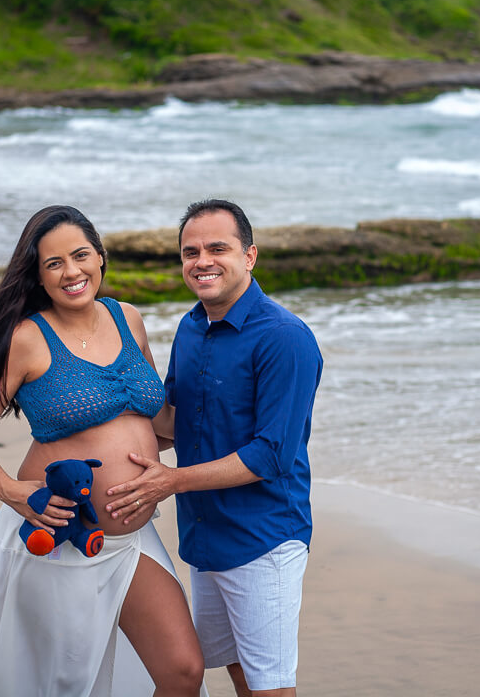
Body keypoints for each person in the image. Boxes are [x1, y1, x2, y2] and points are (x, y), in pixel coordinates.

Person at [0, 205, 205, 697]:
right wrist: (11, 491)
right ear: (38, 277)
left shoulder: (128, 318)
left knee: (183, 670)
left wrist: (233, 400)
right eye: (54, 263)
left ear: (101, 258)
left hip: (130, 541)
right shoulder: (26, 339)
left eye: (81, 255)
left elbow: (156, 420)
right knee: (59, 686)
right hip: (58, 540)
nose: (71, 271)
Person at [105, 199, 323, 697]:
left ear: (250, 256)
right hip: (204, 537)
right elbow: (177, 424)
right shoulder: (191, 326)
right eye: (190, 251)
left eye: (217, 248)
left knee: (271, 686)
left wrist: (170, 481)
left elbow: (271, 455)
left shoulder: (286, 338)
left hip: (264, 538)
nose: (202, 260)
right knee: (237, 669)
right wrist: (121, 377)